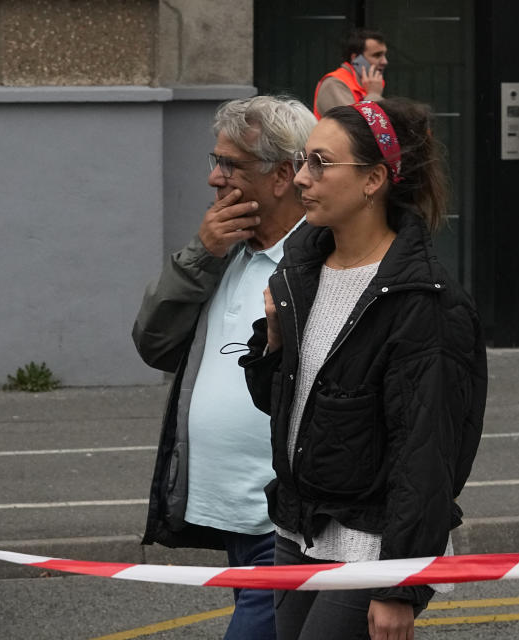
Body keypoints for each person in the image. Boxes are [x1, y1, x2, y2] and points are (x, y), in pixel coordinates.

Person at [239, 98, 487, 640]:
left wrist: (400, 584)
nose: (302, 178)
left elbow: (426, 453)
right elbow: (278, 401)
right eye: (304, 160)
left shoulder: (425, 301)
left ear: (374, 179)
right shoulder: (303, 266)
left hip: (373, 544)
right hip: (299, 527)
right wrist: (273, 348)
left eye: (321, 163)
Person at [132, 95, 317, 640]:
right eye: (215, 162)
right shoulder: (224, 252)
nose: (215, 178)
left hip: (285, 513)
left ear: (283, 174)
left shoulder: (319, 260)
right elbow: (155, 343)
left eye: (230, 165)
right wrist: (199, 257)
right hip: (232, 509)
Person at [313, 29, 389, 120]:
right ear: (355, 58)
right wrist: (373, 95)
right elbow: (354, 127)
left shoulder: (369, 85)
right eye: (377, 55)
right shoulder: (334, 83)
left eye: (384, 55)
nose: (385, 61)